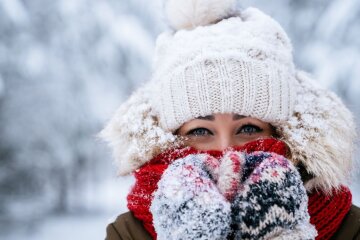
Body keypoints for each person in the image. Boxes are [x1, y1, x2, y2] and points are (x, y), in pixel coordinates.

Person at [100, 0, 360, 239]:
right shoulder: (128, 234)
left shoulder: (349, 228)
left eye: (248, 128)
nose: (227, 150)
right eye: (201, 131)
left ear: (281, 133)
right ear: (170, 140)